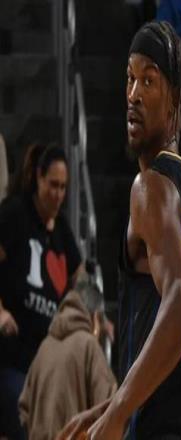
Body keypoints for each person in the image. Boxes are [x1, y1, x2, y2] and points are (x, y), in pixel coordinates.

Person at [58, 21, 181, 439]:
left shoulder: (149, 187)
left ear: (175, 99)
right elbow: (169, 357)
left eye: (148, 80)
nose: (133, 94)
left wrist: (117, 415)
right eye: (129, 78)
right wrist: (106, 409)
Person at [0, 143, 83, 440]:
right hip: (13, 359)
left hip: (48, 364)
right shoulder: (15, 214)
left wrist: (95, 313)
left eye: (63, 188)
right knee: (29, 422)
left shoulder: (60, 228)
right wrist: (0, 312)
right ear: (38, 178)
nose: (58, 195)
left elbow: (80, 276)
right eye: (53, 185)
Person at [18, 273, 116, 440]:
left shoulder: (44, 347)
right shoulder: (88, 344)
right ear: (94, 317)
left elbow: (24, 408)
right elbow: (108, 405)